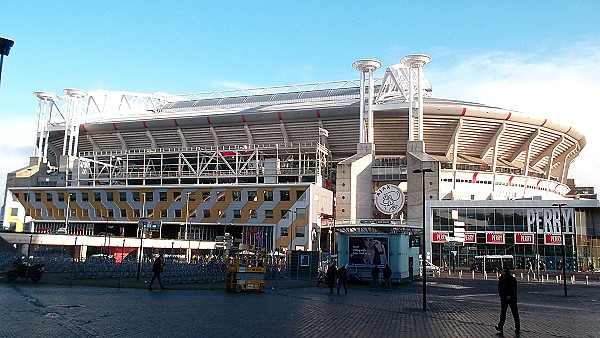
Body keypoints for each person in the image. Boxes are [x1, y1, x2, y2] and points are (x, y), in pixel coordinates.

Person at [495, 267, 520, 334]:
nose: (505, 272)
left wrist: (510, 296)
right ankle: (500, 326)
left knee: (514, 313)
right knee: (503, 313)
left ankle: (517, 327)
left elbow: (514, 289)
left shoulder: (512, 279)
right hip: (505, 298)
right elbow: (500, 289)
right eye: (504, 271)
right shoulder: (502, 279)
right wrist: (502, 296)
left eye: (506, 271)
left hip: (511, 298)